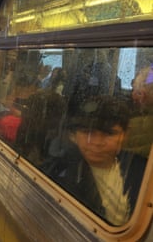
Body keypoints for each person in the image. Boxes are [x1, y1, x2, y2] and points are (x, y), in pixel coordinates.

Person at [41, 95, 146, 226]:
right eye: (87, 132)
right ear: (73, 135)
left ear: (125, 135)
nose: (97, 142)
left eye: (109, 133)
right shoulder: (55, 172)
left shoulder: (142, 169)